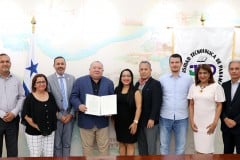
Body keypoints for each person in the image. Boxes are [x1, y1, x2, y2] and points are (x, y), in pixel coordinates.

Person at [70, 61, 114, 156]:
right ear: (89, 70)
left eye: (99, 68)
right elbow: (73, 97)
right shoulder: (79, 81)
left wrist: (110, 110)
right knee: (87, 149)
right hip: (86, 121)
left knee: (104, 148)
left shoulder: (109, 83)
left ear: (102, 70)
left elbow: (111, 99)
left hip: (102, 122)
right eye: (94, 68)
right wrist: (79, 105)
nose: (97, 70)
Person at [159, 53, 193, 155]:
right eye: (172, 62)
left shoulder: (188, 79)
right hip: (165, 117)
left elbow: (190, 98)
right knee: (164, 147)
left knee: (180, 148)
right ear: (169, 64)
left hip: (182, 118)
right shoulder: (162, 79)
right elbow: (159, 98)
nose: (174, 64)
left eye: (177, 62)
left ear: (181, 63)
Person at [188, 64, 225, 154]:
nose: (202, 75)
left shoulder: (216, 87)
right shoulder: (193, 87)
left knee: (207, 150)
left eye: (205, 73)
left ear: (209, 74)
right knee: (198, 149)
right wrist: (192, 121)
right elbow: (191, 105)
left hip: (209, 123)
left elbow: (219, 105)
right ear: (197, 75)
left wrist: (215, 123)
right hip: (197, 123)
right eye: (200, 73)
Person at [21, 74, 58, 157]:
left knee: (49, 156)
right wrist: (37, 126)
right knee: (35, 155)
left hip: (50, 132)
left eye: (43, 81)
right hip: (34, 132)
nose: (42, 84)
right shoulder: (29, 98)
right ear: (34, 84)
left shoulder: (50, 95)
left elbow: (55, 111)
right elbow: (26, 116)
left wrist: (50, 124)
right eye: (39, 82)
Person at [47, 56, 75, 156]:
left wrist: (71, 114)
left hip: (69, 116)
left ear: (65, 65)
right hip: (56, 116)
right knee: (57, 144)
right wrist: (59, 116)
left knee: (67, 144)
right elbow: (48, 100)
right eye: (58, 64)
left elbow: (75, 97)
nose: (60, 66)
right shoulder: (48, 79)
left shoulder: (72, 78)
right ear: (54, 66)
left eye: (62, 64)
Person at [0, 53, 25, 157]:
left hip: (13, 120)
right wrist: (2, 114)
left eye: (7, 61)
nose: (5, 63)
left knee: (13, 152)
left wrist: (14, 113)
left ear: (10, 63)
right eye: (2, 62)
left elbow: (22, 97)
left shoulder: (17, 79)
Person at [135, 60, 162, 155]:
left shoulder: (155, 84)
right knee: (141, 147)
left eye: (146, 69)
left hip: (150, 122)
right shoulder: (137, 84)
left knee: (151, 148)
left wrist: (152, 118)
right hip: (139, 122)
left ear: (150, 70)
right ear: (139, 71)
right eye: (141, 69)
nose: (143, 71)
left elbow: (157, 103)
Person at [114, 68, 142, 155]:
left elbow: (139, 107)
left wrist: (135, 122)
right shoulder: (117, 89)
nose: (126, 78)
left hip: (131, 123)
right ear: (121, 78)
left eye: (128, 76)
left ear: (131, 78)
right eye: (124, 76)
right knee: (121, 144)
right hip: (119, 123)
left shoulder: (135, 91)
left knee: (130, 145)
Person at [221, 60, 240, 154]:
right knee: (227, 154)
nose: (234, 71)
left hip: (239, 126)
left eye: (237, 69)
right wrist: (225, 119)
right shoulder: (224, 86)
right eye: (232, 69)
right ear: (228, 71)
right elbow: (220, 106)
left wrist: (236, 121)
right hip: (226, 127)